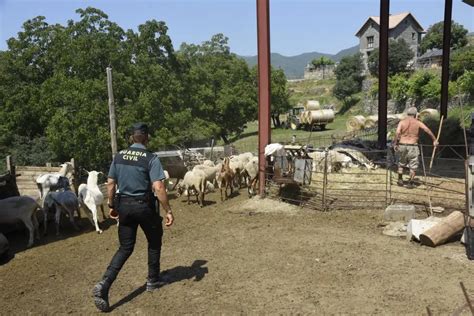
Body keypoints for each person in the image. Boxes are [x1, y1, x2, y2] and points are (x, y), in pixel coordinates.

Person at [92, 122, 174, 312]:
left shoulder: (119, 156)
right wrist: (168, 210)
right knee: (154, 241)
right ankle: (153, 280)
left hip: (124, 207)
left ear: (131, 138)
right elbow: (159, 187)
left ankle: (104, 284)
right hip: (144, 207)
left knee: (125, 247)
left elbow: (111, 184)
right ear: (146, 138)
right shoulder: (150, 158)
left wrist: (112, 205)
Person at [393, 107, 438, 187]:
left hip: (402, 144)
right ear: (415, 114)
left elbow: (397, 133)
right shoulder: (417, 122)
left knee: (401, 163)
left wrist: (395, 143)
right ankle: (410, 182)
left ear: (407, 114)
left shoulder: (402, 122)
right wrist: (434, 140)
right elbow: (427, 130)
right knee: (413, 165)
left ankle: (400, 180)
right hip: (412, 145)